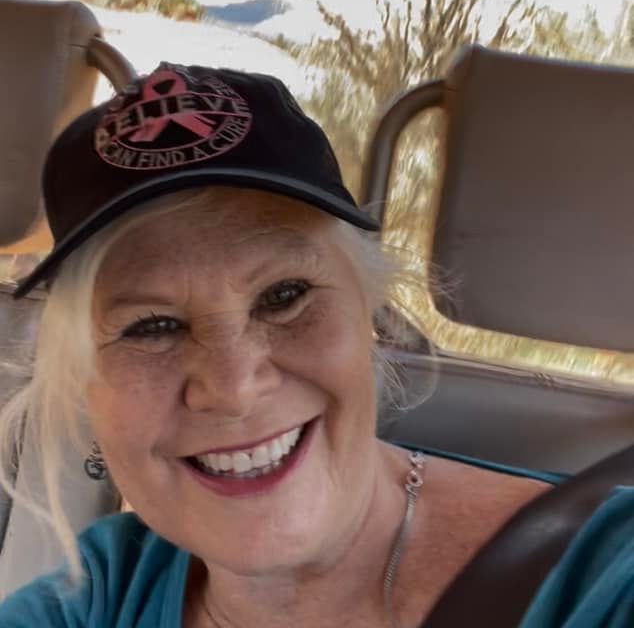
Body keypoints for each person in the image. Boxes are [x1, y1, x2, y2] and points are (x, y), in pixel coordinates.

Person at [0, 61, 631, 628]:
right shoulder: (96, 596)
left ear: (370, 313)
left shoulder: (605, 575)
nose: (234, 387)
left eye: (284, 296)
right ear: (85, 383)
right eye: (151, 326)